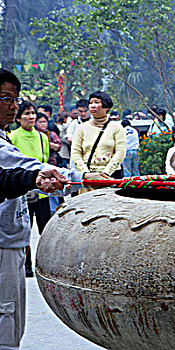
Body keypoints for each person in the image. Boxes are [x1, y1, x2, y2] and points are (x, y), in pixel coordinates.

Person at [0, 68, 107, 350]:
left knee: (11, 318)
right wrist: (79, 178)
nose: (14, 106)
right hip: (2, 244)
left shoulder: (9, 137)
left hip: (11, 239)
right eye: (5, 99)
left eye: (15, 99)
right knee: (5, 322)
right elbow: (19, 172)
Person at [9, 101, 52, 235]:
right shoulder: (12, 137)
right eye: (27, 114)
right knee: (24, 230)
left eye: (33, 113)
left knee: (45, 229)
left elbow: (44, 160)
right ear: (18, 118)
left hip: (41, 190)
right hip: (22, 190)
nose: (31, 117)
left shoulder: (42, 137)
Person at [71, 91, 127, 178]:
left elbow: (120, 152)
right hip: (87, 176)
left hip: (111, 175)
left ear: (106, 107)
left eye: (97, 102)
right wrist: (86, 173)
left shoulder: (116, 127)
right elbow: (75, 152)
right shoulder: (81, 128)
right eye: (90, 103)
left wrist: (106, 173)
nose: (93, 106)